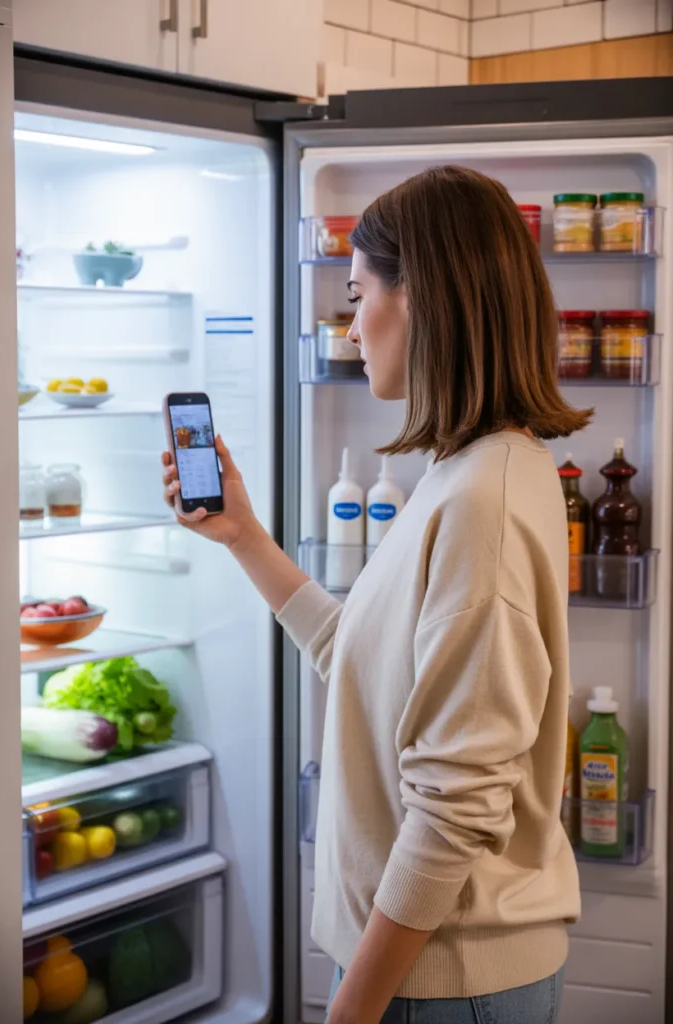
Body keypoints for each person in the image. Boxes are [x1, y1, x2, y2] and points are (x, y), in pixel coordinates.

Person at [162, 165, 588, 1024]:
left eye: (358, 295)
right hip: (425, 970)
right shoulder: (464, 470)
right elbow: (360, 651)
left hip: (443, 980)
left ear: (422, 296)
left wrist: (351, 1007)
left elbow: (456, 803)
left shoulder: (481, 500)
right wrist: (244, 535)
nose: (351, 327)